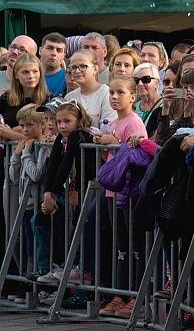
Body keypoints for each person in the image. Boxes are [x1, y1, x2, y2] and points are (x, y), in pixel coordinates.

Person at [96, 76, 151, 318]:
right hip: (113, 190)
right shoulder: (112, 123)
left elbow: (137, 154)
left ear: (133, 97)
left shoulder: (134, 122)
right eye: (112, 93)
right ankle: (120, 293)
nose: (115, 97)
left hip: (130, 191)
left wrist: (116, 142)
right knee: (120, 245)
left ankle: (136, 297)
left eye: (120, 92)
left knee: (135, 244)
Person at [37, 101, 96, 285]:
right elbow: (53, 163)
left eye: (67, 121)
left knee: (83, 229)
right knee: (67, 225)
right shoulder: (62, 137)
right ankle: (65, 266)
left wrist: (53, 192)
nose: (62, 126)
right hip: (76, 190)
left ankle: (80, 267)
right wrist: (48, 193)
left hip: (91, 188)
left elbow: (65, 164)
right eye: (59, 121)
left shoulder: (80, 135)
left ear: (78, 121)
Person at [8, 104, 50, 280]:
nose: (25, 129)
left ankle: (41, 286)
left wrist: (25, 153)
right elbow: (14, 177)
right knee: (26, 246)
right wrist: (16, 155)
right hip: (25, 204)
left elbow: (35, 175)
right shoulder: (25, 144)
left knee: (39, 246)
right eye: (22, 125)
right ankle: (28, 287)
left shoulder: (43, 146)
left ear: (42, 125)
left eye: (29, 125)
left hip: (38, 204)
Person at [0, 53, 50, 140]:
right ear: (16, 75)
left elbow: (45, 139)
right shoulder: (5, 98)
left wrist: (11, 134)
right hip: (9, 152)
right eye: (25, 72)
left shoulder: (49, 100)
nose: (31, 76)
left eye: (35, 71)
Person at [64, 49, 116, 128]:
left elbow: (108, 129)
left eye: (83, 66)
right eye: (74, 67)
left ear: (95, 69)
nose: (77, 71)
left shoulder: (106, 94)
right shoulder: (69, 97)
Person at [133, 62, 163, 134]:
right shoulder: (132, 108)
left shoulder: (165, 107)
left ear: (157, 83)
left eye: (146, 79)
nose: (140, 84)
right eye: (136, 80)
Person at [40, 33, 66, 97]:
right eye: (50, 48)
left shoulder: (68, 79)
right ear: (40, 51)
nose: (54, 53)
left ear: (64, 55)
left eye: (59, 50)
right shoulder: (28, 74)